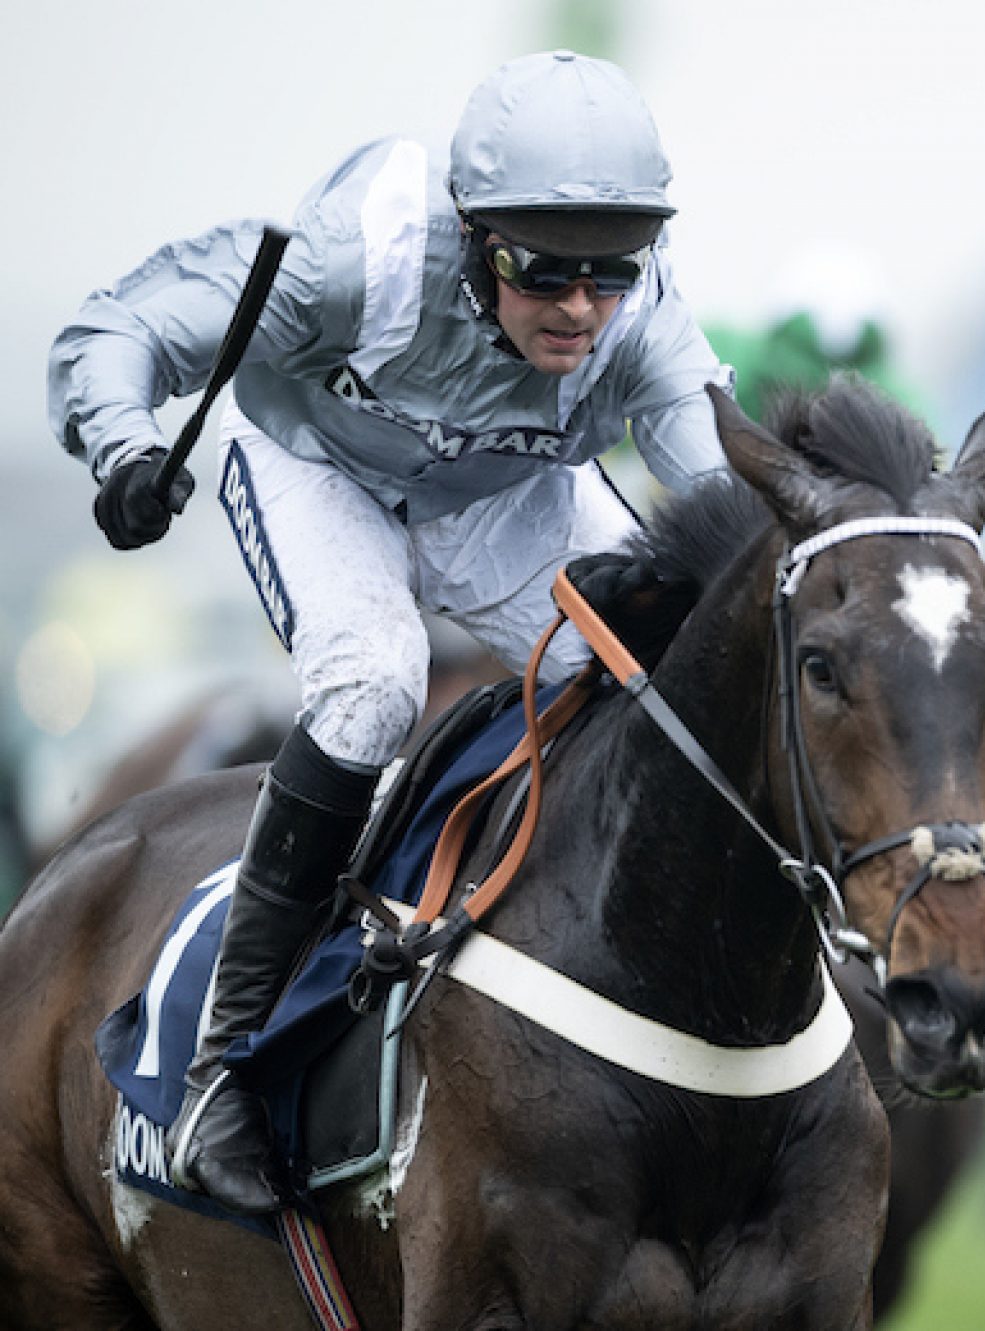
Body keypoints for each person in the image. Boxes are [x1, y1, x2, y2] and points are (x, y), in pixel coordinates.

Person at [46, 51, 731, 1216]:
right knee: (372, 686)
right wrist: (121, 448)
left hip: (501, 501)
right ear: (471, 238)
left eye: (609, 273)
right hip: (322, 477)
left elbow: (725, 505)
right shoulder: (351, 258)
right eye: (542, 271)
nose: (579, 308)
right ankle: (220, 1064)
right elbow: (117, 331)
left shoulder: (643, 317)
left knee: (653, 668)